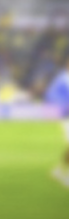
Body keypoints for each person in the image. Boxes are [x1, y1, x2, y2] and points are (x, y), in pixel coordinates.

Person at [46, 59, 69, 187]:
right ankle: (61, 172)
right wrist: (63, 105)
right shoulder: (63, 79)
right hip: (66, 116)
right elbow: (50, 95)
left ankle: (59, 171)